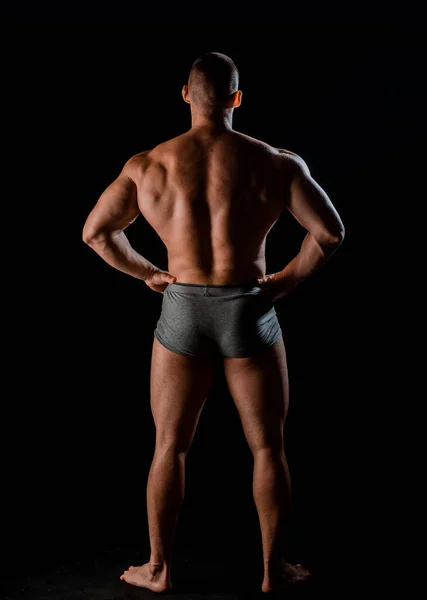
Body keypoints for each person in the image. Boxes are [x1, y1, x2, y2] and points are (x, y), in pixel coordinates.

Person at [82, 52, 345, 593]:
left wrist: (149, 274)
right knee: (268, 447)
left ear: (185, 94)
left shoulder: (147, 165)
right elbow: (330, 233)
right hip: (249, 305)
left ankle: (159, 569)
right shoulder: (276, 163)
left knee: (169, 446)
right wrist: (286, 280)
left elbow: (96, 233)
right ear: (236, 99)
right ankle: (274, 571)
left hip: (182, 306)